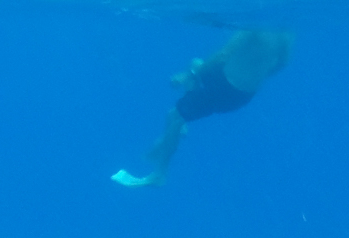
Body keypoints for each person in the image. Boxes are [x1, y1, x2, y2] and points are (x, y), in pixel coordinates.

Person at [112, 30, 293, 188]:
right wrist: (251, 73)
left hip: (224, 88)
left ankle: (160, 174)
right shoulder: (285, 31)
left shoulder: (253, 27)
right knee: (197, 63)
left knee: (174, 115)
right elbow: (281, 63)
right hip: (244, 95)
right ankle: (172, 135)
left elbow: (223, 54)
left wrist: (187, 76)